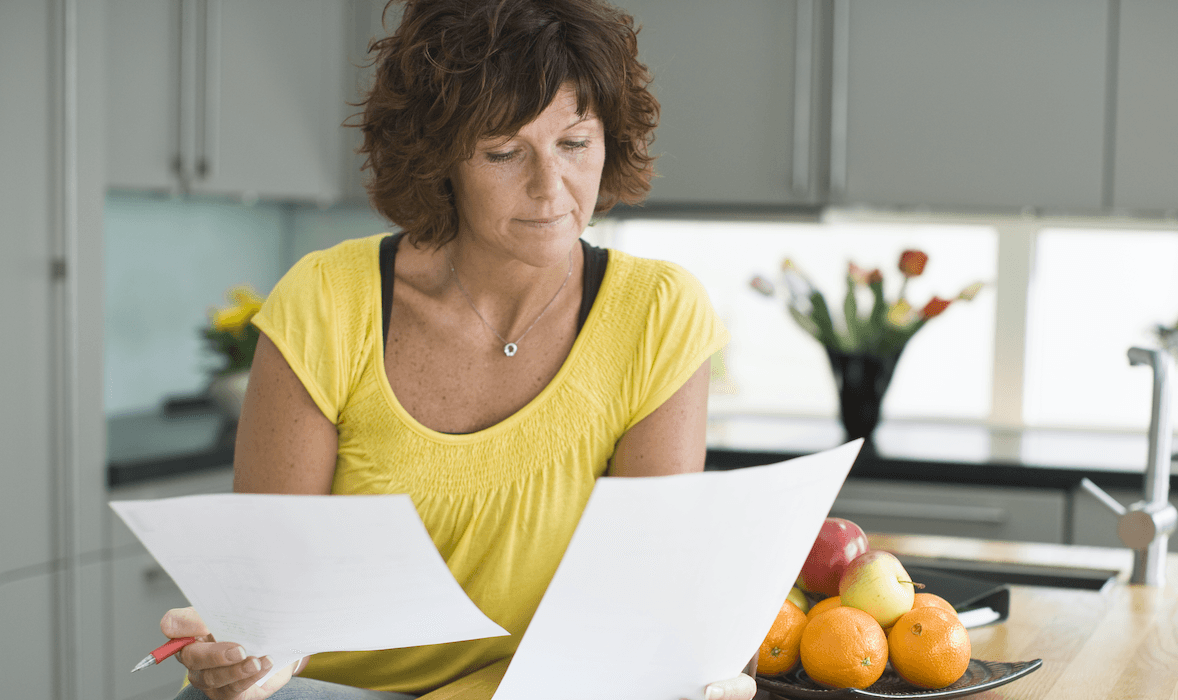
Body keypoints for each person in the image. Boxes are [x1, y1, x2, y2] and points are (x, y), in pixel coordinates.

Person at [158, 1, 754, 699]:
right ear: (440, 157)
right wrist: (245, 657)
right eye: (504, 151)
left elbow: (635, 606)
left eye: (575, 143)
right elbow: (270, 610)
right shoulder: (328, 303)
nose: (550, 187)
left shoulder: (656, 314)